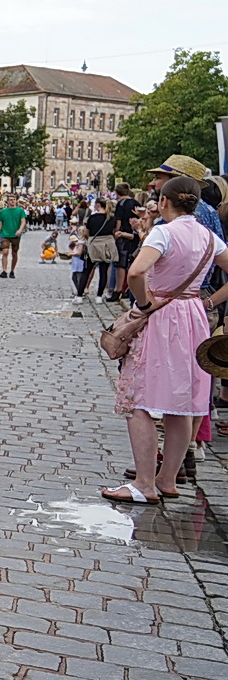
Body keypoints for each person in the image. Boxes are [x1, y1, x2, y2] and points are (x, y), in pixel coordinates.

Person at [102, 177, 228, 504]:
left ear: (164, 202)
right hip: (194, 316)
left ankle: (144, 483)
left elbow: (135, 272)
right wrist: (209, 302)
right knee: (182, 400)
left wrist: (144, 304)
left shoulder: (163, 232)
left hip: (161, 315)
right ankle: (167, 479)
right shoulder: (208, 236)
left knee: (139, 397)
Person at [107, 181, 139, 301]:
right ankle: (128, 288)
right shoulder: (136, 202)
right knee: (131, 262)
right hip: (134, 234)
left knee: (120, 264)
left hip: (123, 235)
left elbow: (118, 221)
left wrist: (116, 232)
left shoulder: (120, 204)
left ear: (116, 193)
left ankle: (118, 290)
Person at [0, 199, 27, 278]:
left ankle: (12, 271)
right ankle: (4, 271)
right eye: (10, 200)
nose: (12, 201)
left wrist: (20, 230)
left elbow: (23, 221)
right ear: (8, 201)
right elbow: (0, 224)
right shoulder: (3, 212)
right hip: (5, 234)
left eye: (14, 200)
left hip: (15, 235)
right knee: (5, 252)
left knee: (14, 253)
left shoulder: (20, 211)